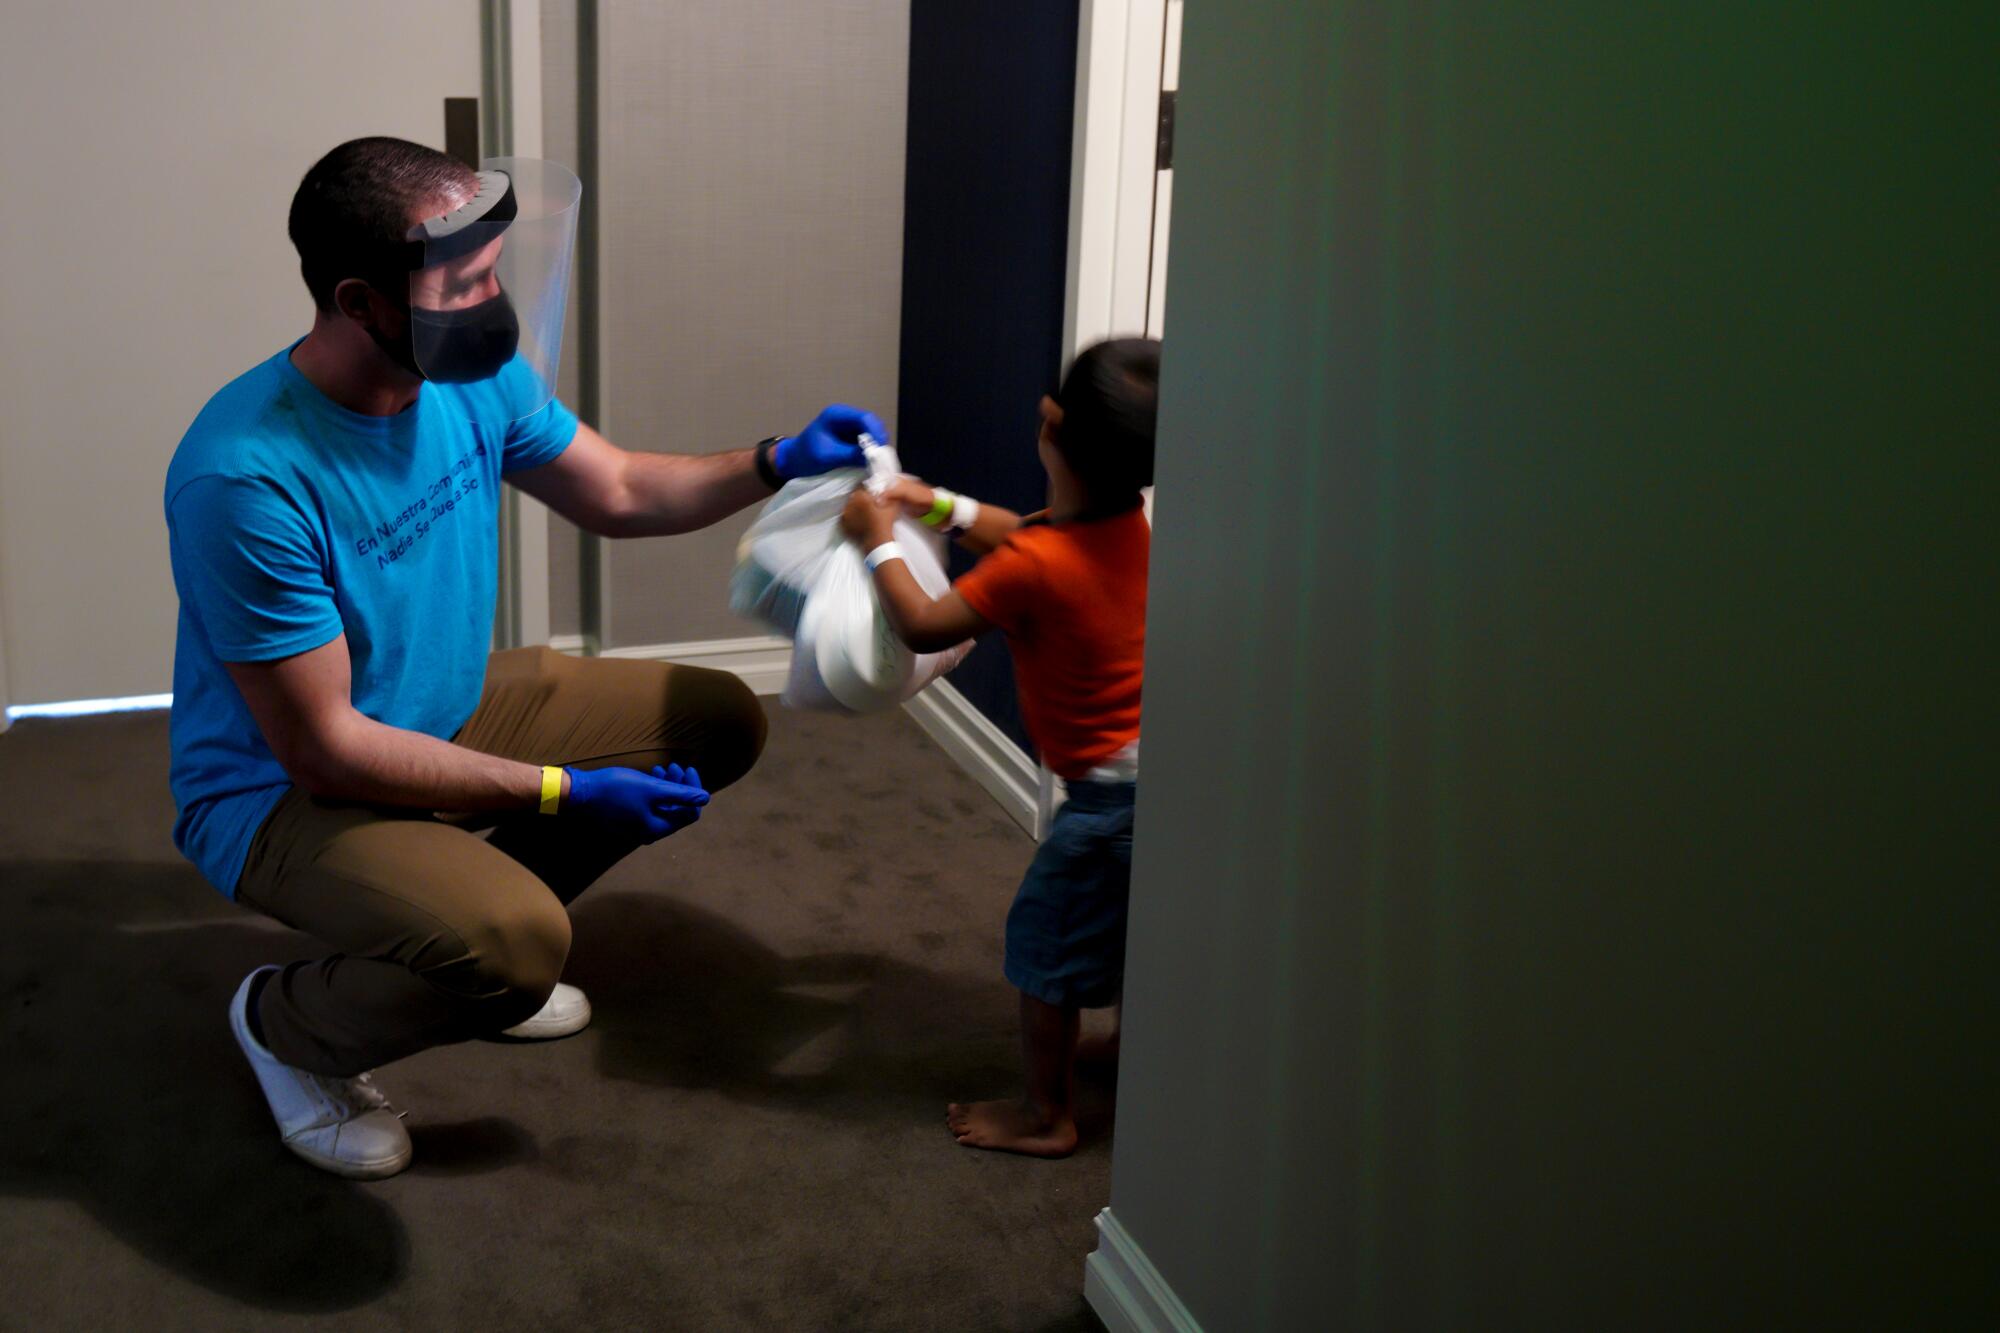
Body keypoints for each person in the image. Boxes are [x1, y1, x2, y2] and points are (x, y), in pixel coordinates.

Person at [165, 136, 889, 1179]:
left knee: (714, 717)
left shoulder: (465, 378)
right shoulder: (246, 476)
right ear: (361, 300)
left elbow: (623, 491)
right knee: (512, 942)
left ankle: (464, 941)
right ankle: (286, 1027)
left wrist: (777, 459)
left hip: (433, 713)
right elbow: (325, 749)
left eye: (496, 271)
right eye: (465, 282)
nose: (493, 300)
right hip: (278, 791)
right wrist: (558, 790)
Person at [840, 338, 1158, 1156]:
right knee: (1133, 927)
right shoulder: (1123, 520)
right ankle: (1125, 1048)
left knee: (1043, 946)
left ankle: (1046, 1115)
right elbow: (1030, 534)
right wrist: (936, 504)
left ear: (1049, 421)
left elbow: (922, 621)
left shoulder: (1033, 566)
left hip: (1103, 801)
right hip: (1154, 778)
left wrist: (875, 536)